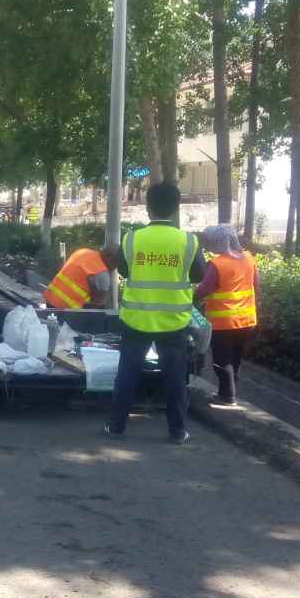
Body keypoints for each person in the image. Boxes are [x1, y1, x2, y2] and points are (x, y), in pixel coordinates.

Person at [104, 182, 206, 443]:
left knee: (127, 376)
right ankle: (177, 431)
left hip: (136, 320)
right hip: (173, 323)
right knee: (174, 379)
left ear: (148, 207)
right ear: (175, 208)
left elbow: (124, 270)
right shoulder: (189, 241)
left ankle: (116, 427)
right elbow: (199, 275)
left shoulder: (132, 239)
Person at [196, 224, 259, 405]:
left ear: (218, 242)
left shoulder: (218, 264)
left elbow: (204, 290)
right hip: (247, 321)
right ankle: (230, 392)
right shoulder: (249, 258)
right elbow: (256, 285)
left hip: (223, 322)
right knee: (235, 358)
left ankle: (227, 396)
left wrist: (191, 296)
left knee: (222, 360)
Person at [44, 247, 111, 309]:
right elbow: (98, 306)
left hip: (50, 300)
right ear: (111, 260)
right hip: (68, 311)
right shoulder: (102, 273)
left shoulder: (84, 252)